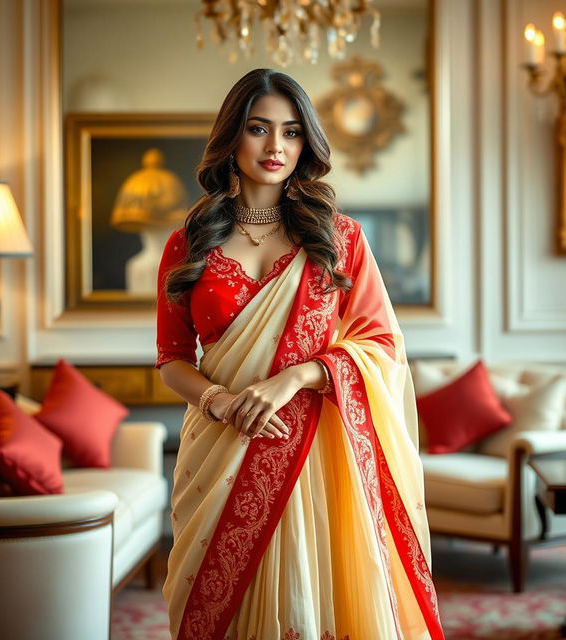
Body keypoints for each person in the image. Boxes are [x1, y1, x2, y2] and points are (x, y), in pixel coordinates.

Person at [156, 68, 443, 640]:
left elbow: (381, 345)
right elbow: (170, 358)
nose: (275, 147)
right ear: (232, 136)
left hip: (315, 451)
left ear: (306, 143)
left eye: (290, 132)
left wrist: (294, 379)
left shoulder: (339, 239)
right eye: (259, 129)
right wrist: (218, 401)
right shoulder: (190, 241)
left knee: (312, 600)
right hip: (219, 448)